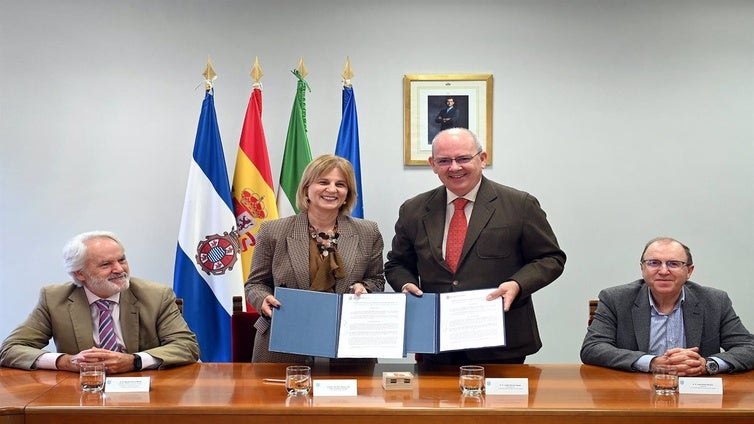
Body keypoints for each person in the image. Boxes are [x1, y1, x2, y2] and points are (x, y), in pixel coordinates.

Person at [385, 128, 566, 365]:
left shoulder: (520, 204)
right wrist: (406, 284)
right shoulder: (414, 210)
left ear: (482, 159)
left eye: (463, 158)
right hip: (437, 345)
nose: (454, 167)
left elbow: (550, 258)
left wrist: (517, 284)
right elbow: (398, 264)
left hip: (501, 342)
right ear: (433, 164)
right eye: (444, 161)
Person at [245, 154, 385, 362]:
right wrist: (262, 299)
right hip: (284, 344)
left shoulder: (368, 231)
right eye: (323, 182)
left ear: (347, 194)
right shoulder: (273, 230)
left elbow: (377, 279)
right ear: (306, 190)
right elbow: (255, 284)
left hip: (348, 347)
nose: (331, 189)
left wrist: (364, 288)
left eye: (340, 184)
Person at [0, 231, 200, 373]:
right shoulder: (54, 299)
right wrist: (66, 362)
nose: (119, 269)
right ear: (80, 273)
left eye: (121, 260)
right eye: (106, 264)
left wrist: (133, 361)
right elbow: (10, 349)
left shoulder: (156, 295)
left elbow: (186, 346)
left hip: (144, 388)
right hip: (81, 391)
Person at [581, 237, 754, 375]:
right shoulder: (615, 299)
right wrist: (652, 362)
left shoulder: (715, 301)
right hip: (636, 392)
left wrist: (708, 364)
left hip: (697, 395)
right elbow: (592, 348)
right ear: (642, 268)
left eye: (673, 264)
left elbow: (749, 348)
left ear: (689, 271)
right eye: (654, 263)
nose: (663, 271)